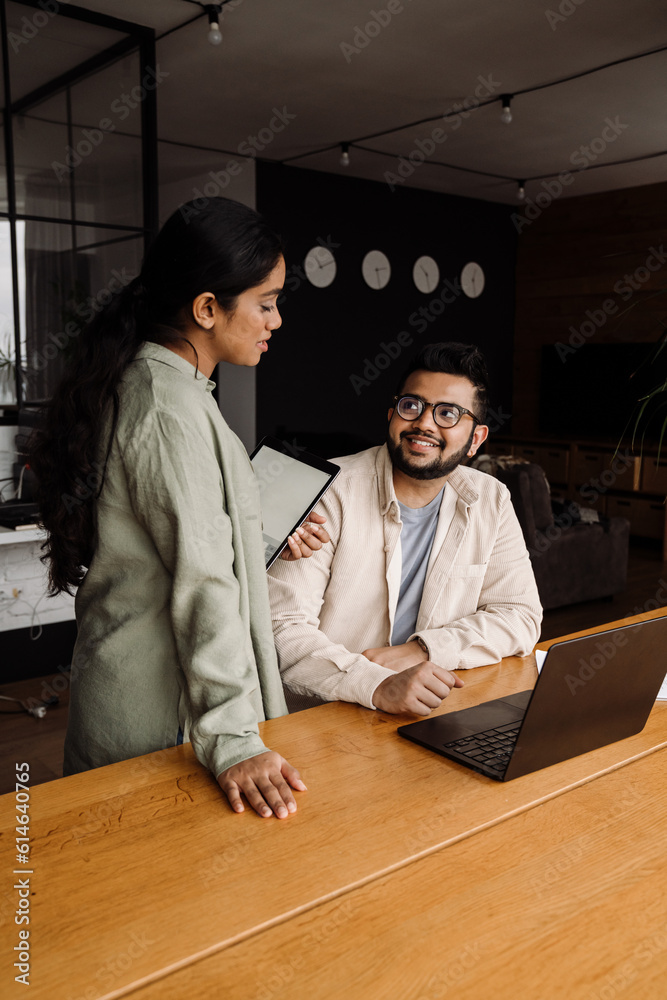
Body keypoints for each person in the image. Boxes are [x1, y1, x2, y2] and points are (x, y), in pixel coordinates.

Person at [30, 196, 329, 819]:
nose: (276, 321)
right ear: (207, 309)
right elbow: (203, 581)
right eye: (266, 304)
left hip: (153, 704)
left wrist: (258, 536)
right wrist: (233, 735)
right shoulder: (170, 410)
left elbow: (180, 541)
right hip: (160, 719)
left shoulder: (168, 389)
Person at [268, 342, 542, 715]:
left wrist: (424, 650)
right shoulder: (328, 491)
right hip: (325, 712)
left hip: (435, 705)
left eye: (448, 413)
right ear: (391, 413)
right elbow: (282, 629)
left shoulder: (490, 499)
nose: (424, 423)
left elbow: (520, 615)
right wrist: (377, 684)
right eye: (412, 405)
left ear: (476, 439)